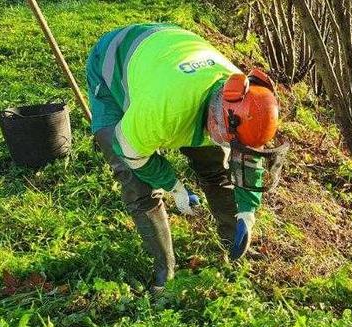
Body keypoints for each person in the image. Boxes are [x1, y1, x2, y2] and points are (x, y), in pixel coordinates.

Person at [85, 23, 281, 291]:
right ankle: (165, 273)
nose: (229, 145)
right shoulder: (163, 111)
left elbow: (248, 156)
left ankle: (231, 247)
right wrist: (174, 187)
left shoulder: (245, 99)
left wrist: (247, 211)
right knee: (136, 182)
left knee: (216, 168)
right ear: (215, 117)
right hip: (115, 59)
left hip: (171, 48)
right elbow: (130, 151)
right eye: (226, 138)